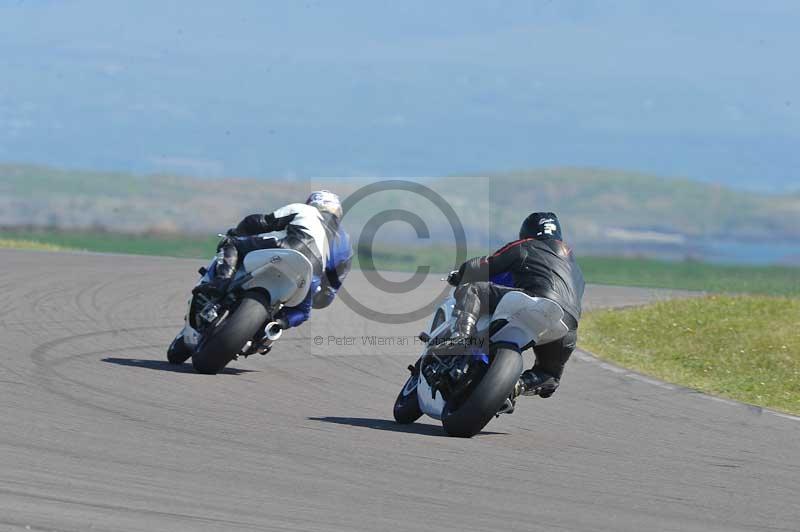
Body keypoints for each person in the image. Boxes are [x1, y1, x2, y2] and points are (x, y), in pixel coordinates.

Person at [433, 212, 584, 399]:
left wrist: (461, 274)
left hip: (535, 300)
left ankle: (460, 338)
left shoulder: (526, 245)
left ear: (527, 232)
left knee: (473, 289)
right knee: (550, 376)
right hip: (566, 324)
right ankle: (518, 386)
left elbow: (483, 265)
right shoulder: (575, 267)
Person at [197, 190, 352, 330]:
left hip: (288, 249)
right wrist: (316, 297)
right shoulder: (346, 242)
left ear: (312, 202)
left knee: (231, 244)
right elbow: (330, 290)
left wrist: (237, 233)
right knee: (302, 312)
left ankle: (219, 284)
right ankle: (273, 328)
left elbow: (261, 222)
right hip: (311, 274)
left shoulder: (304, 209)